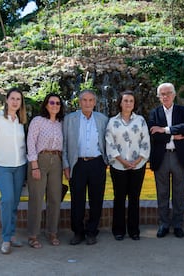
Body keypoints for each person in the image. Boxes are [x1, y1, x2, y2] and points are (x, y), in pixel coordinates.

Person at [62, 90, 109, 245]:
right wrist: (66, 165)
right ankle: (78, 232)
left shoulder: (102, 119)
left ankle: (92, 232)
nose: (87, 103)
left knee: (96, 199)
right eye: (84, 100)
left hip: (97, 163)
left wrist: (106, 162)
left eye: (90, 100)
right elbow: (64, 145)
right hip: (78, 164)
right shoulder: (69, 119)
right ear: (79, 102)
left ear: (95, 102)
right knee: (77, 200)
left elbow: (108, 141)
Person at [0, 87, 28, 254]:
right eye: (13, 98)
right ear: (7, 100)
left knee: (15, 202)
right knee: (7, 199)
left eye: (18, 99)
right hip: (3, 166)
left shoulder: (20, 120)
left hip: (20, 166)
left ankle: (12, 233)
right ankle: (5, 239)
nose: (15, 101)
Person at [148, 83, 184, 238]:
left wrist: (165, 130)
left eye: (168, 93)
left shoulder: (182, 110)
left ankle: (178, 224)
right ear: (159, 97)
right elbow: (154, 135)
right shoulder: (154, 113)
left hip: (179, 156)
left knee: (179, 192)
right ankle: (164, 224)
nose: (165, 96)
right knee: (162, 192)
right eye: (162, 94)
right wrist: (173, 135)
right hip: (161, 157)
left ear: (174, 95)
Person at [105, 90, 150, 241]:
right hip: (118, 166)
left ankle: (133, 230)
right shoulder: (112, 122)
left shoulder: (141, 121)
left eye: (131, 101)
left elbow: (145, 142)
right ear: (120, 103)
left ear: (134, 103)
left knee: (134, 198)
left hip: (138, 166)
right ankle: (118, 230)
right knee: (119, 197)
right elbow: (110, 144)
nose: (128, 103)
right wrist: (123, 162)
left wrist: (136, 161)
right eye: (125, 101)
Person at [26, 93, 65, 248]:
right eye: (52, 102)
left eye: (58, 103)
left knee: (55, 198)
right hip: (40, 160)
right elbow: (31, 142)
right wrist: (34, 165)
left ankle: (52, 232)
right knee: (36, 198)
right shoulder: (38, 121)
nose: (55, 105)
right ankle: (33, 235)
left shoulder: (61, 123)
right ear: (46, 104)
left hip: (57, 160)